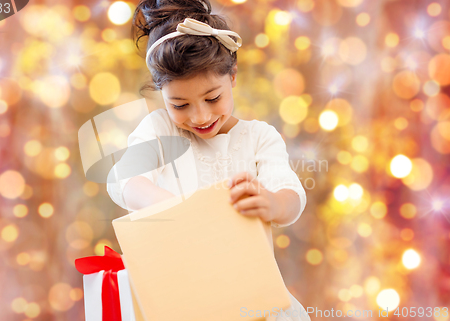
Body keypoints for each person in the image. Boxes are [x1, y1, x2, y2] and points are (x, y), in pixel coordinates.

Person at [107, 0, 310, 320]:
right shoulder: (160, 131)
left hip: (250, 301)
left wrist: (273, 203)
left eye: (212, 98)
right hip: (181, 302)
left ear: (232, 76)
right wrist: (175, 208)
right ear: (161, 95)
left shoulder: (258, 138)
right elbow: (122, 179)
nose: (200, 116)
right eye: (180, 104)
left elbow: (292, 197)